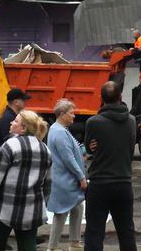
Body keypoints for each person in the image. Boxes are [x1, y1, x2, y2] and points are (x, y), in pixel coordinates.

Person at [0, 110, 52, 251]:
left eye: (15, 121)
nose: (11, 122)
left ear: (23, 128)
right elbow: (48, 183)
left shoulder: (10, 146)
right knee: (28, 246)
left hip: (4, 207)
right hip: (32, 209)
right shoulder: (45, 149)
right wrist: (42, 203)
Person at [83, 81, 137, 251]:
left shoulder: (94, 122)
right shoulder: (131, 120)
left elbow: (89, 148)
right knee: (126, 231)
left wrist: (94, 146)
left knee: (94, 231)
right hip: (123, 181)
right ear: (120, 97)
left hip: (99, 182)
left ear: (101, 98)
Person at [47, 98, 87, 251]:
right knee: (61, 212)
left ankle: (75, 242)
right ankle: (52, 247)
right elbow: (68, 158)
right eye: (71, 113)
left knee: (77, 207)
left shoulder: (58, 129)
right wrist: (81, 177)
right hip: (64, 180)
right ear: (62, 114)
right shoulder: (60, 132)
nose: (74, 116)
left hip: (64, 178)